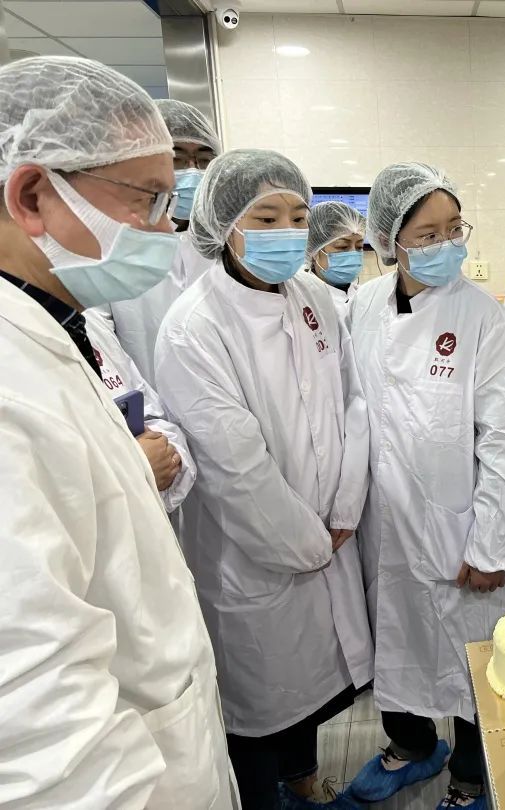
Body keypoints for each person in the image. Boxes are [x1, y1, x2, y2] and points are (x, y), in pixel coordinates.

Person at [0, 56, 234, 808]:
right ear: (32, 196)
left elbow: (147, 418)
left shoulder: (73, 322)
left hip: (165, 735)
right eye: (148, 199)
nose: (167, 228)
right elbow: (37, 725)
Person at [154, 148, 374, 810]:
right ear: (226, 226)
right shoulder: (194, 326)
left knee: (312, 694)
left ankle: (305, 782)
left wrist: (345, 509)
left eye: (298, 217)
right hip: (255, 555)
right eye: (267, 217)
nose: (288, 231)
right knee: (258, 710)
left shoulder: (315, 298)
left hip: (330, 531)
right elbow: (234, 466)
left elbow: (353, 402)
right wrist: (308, 542)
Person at [343, 163, 505, 810]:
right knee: (394, 645)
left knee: (471, 661)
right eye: (427, 234)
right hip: (382, 523)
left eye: (455, 229)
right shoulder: (363, 305)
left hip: (458, 527)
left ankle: (473, 777)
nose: (446, 245)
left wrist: (492, 545)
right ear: (388, 240)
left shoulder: (481, 318)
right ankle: (412, 747)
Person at [97, 98, 221, 385]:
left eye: (204, 160)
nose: (193, 171)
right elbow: (100, 343)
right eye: (176, 158)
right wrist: (144, 408)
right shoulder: (109, 247)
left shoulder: (228, 245)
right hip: (147, 407)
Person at [84, 307, 196, 514]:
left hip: (142, 518)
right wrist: (132, 468)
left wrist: (166, 454)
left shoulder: (90, 324)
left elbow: (151, 413)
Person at [305, 200, 365, 319]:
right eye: (342, 247)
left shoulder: (365, 295)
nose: (353, 254)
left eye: (359, 247)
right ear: (314, 251)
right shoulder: (301, 299)